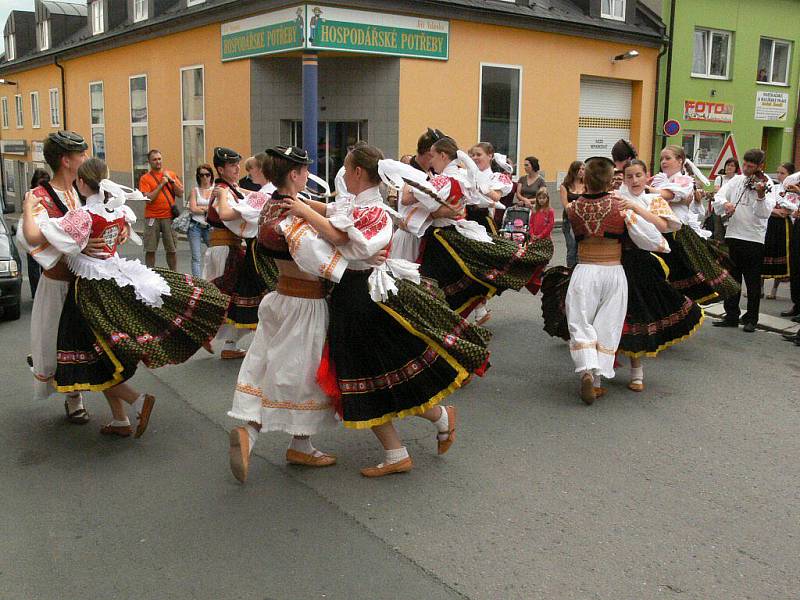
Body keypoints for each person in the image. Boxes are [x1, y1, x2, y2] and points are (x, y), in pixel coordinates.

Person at [279, 143, 492, 477]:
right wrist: (305, 204)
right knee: (372, 374)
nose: (344, 175)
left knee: (368, 374)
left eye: (347, 169)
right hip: (351, 293)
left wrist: (305, 212)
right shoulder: (356, 204)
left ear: (358, 172)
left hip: (363, 297)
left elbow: (347, 239)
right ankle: (413, 439)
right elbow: (335, 214)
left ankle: (406, 446)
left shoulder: (375, 211)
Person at [21, 158, 228, 437]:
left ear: (82, 184)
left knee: (91, 356)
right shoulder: (118, 211)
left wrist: (27, 208)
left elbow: (34, 236)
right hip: (113, 278)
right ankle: (120, 419)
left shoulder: (82, 217)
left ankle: (137, 401)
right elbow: (117, 239)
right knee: (106, 352)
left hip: (91, 292)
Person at [227, 146, 350, 483]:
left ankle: (283, 441)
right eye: (304, 170)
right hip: (304, 302)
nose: (307, 174)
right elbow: (322, 261)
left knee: (267, 365)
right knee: (301, 376)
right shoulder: (293, 216)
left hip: (280, 295)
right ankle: (273, 440)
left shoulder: (270, 206)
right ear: (293, 174)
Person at [562, 156, 669, 404]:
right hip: (613, 270)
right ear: (611, 180)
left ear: (585, 179)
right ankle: (598, 378)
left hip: (585, 269)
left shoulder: (572, 207)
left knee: (580, 321)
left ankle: (588, 372)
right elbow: (648, 238)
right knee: (607, 325)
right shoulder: (620, 205)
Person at [16, 131, 92, 424]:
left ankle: (79, 394)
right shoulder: (37, 197)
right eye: (81, 154)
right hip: (57, 282)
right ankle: (73, 397)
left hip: (82, 282)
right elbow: (28, 238)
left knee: (84, 341)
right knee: (55, 342)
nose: (85, 158)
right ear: (66, 160)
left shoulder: (80, 191)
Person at [616, 160, 703, 392]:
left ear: (647, 177)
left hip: (641, 263)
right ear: (623, 178)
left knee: (637, 313)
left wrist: (635, 209)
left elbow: (665, 226)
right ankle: (598, 367)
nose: (633, 181)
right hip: (613, 261)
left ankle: (636, 370)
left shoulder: (653, 199)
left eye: (638, 176)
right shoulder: (616, 197)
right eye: (629, 176)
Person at [205, 148, 277, 359]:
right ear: (220, 169)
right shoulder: (223, 189)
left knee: (239, 296)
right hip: (226, 248)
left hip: (237, 247)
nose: (240, 169)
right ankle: (204, 330)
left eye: (245, 166)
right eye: (233, 165)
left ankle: (229, 342)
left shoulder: (231, 189)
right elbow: (229, 214)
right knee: (226, 295)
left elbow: (251, 201)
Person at [651, 145, 739, 304]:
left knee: (686, 275)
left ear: (680, 161)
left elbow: (671, 195)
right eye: (662, 158)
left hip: (677, 234)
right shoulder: (659, 180)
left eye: (668, 158)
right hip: (659, 233)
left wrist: (645, 190)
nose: (663, 161)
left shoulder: (684, 181)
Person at [712, 148, 776, 332]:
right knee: (732, 279)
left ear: (760, 166)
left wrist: (761, 195)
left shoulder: (766, 183)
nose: (746, 168)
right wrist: (726, 204)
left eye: (750, 166)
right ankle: (731, 315)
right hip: (733, 234)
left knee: (752, 281)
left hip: (754, 238)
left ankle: (751, 319)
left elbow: (764, 213)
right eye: (745, 164)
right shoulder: (737, 180)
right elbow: (719, 196)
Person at [138, 149, 184, 270]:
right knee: (150, 249)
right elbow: (149, 198)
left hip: (169, 217)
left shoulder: (171, 174)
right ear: (149, 162)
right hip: (152, 217)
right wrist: (162, 184)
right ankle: (150, 273)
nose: (158, 162)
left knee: (171, 249)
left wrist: (171, 181)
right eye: (154, 159)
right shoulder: (145, 178)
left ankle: (174, 274)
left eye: (159, 159)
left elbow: (180, 193)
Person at [762, 162, 797, 299]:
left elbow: (785, 212)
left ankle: (774, 290)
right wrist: (772, 211)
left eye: (782, 173)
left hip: (783, 227)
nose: (779, 175)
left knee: (780, 255)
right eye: (778, 172)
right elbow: (763, 206)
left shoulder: (792, 191)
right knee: (763, 254)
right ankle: (760, 288)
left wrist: (771, 210)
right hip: (768, 224)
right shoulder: (773, 187)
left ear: (790, 176)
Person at [25, 168, 50, 298]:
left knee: (47, 264)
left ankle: (45, 293)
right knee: (33, 267)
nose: (42, 186)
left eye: (45, 183)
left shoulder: (51, 195)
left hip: (46, 234)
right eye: (40, 183)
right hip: (33, 233)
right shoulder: (30, 196)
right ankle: (36, 294)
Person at [187, 163, 214, 278]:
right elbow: (193, 208)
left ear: (211, 176)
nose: (204, 178)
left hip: (210, 226)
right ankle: (198, 282)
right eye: (201, 175)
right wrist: (208, 210)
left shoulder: (215, 190)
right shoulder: (195, 190)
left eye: (207, 175)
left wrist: (201, 209)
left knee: (214, 254)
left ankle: (213, 278)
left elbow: (217, 209)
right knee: (196, 257)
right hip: (195, 226)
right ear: (198, 176)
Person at [559, 160, 584, 268]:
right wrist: (575, 205)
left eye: (583, 169)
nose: (582, 171)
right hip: (569, 220)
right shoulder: (565, 186)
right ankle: (570, 272)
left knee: (581, 249)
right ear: (574, 170)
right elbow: (565, 204)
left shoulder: (587, 185)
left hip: (583, 220)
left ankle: (579, 271)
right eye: (580, 169)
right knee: (571, 247)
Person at [711, 159, 739, 241]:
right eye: (728, 165)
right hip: (720, 207)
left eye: (732, 165)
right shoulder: (720, 178)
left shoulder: (737, 180)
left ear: (736, 169)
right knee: (718, 231)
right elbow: (718, 192)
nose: (729, 167)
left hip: (732, 208)